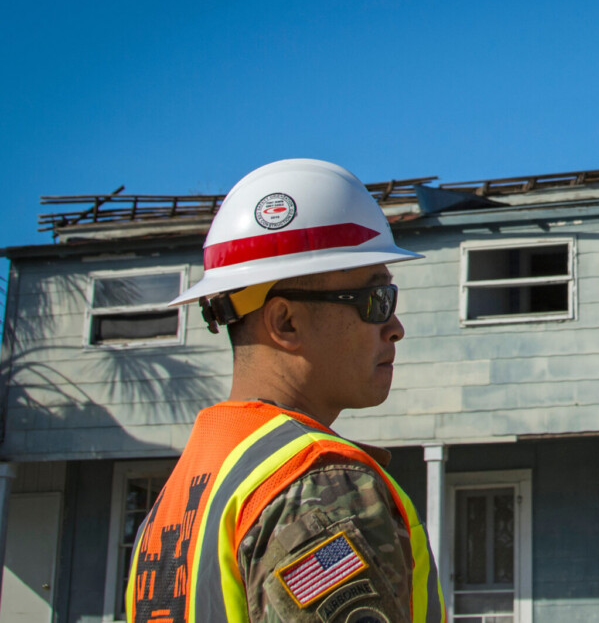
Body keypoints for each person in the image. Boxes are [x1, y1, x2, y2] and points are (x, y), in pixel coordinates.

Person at [125, 159, 445, 623]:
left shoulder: (177, 503)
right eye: (377, 300)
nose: (395, 327)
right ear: (285, 321)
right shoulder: (315, 483)